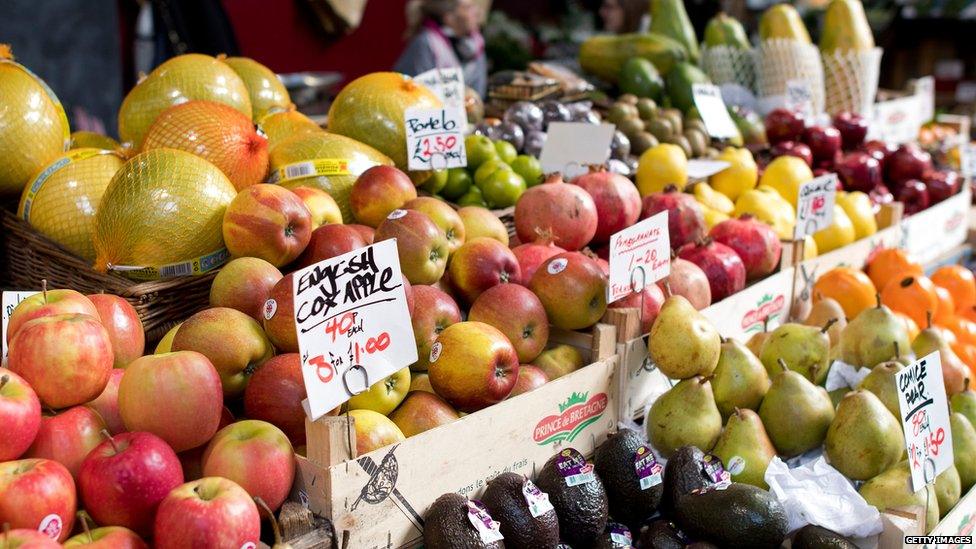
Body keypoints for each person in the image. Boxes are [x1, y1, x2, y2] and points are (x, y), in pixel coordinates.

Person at [394, 0, 488, 97]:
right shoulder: (426, 44)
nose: (477, 12)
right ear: (449, 17)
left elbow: (478, 93)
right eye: (468, 8)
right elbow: (413, 92)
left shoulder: (476, 45)